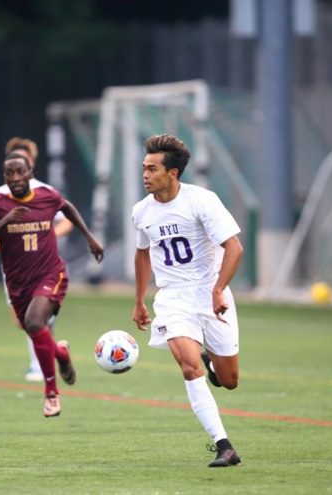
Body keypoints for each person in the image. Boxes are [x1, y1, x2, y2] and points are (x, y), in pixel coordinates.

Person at [130, 134, 244, 468]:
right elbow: (142, 254)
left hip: (211, 295)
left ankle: (212, 361)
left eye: (152, 169)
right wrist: (139, 300)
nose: (145, 175)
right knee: (188, 367)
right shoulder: (141, 212)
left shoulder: (201, 201)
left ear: (173, 173)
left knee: (229, 381)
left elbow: (234, 247)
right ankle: (224, 445)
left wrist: (219, 289)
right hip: (173, 300)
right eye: (144, 168)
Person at [0, 152, 104, 417]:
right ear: (5, 177)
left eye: (20, 172)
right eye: (10, 173)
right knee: (32, 328)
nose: (16, 178)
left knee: (35, 323)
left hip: (50, 275)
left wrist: (89, 237)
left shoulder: (46, 195)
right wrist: (4, 222)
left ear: (30, 174)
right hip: (17, 282)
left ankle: (51, 393)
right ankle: (61, 353)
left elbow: (66, 207)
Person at [0, 137, 74, 382]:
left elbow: (68, 220)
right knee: (24, 321)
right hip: (14, 267)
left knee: (38, 319)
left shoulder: (44, 191)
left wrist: (47, 234)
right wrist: (0, 245)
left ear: (32, 163)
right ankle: (57, 353)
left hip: (43, 266)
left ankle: (38, 366)